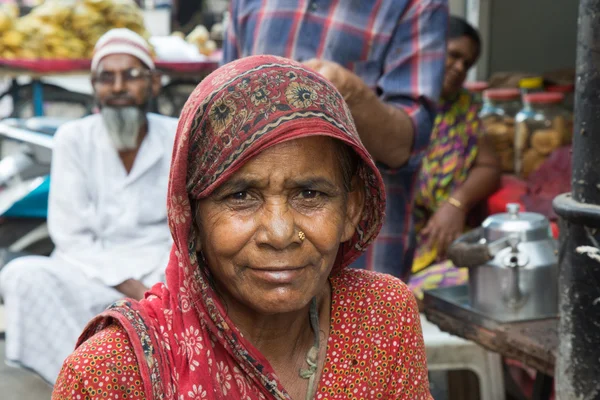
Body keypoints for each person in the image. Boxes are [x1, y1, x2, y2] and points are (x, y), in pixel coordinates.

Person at [53, 55, 432, 400]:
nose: (280, 233)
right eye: (241, 196)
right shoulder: (111, 373)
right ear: (191, 220)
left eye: (310, 194)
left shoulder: (380, 318)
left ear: (352, 209)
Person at [222, 0, 448, 280]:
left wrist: (347, 92)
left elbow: (407, 144)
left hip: (361, 252)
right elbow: (223, 115)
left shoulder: (415, 5)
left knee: (354, 319)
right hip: (251, 240)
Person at [0, 28, 178, 384]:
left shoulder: (175, 135)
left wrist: (158, 289)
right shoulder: (74, 138)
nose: (117, 87)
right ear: (94, 87)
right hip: (91, 275)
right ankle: (83, 384)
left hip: (160, 277)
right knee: (20, 277)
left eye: (131, 75)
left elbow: (184, 228)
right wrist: (131, 288)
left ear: (154, 83)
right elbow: (71, 236)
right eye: (105, 78)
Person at [409, 16, 501, 299]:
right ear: (431, 48)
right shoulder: (397, 100)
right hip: (396, 239)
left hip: (445, 241)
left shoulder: (465, 109)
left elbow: (489, 168)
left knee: (490, 278)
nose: (460, 68)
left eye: (467, 64)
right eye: (454, 55)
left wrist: (455, 204)